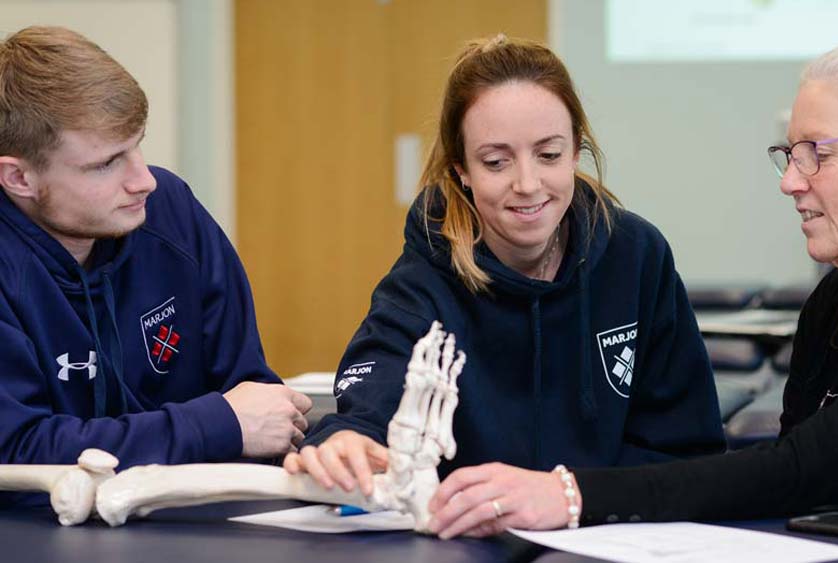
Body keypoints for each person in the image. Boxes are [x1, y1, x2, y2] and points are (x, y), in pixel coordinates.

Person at [426, 41, 838, 537]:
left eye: (817, 154)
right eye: (790, 155)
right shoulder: (833, 303)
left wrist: (570, 496)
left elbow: (798, 469)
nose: (792, 182)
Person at [284, 35, 724, 499]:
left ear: (577, 150)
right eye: (496, 162)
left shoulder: (636, 257)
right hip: (471, 539)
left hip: (606, 532)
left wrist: (574, 499)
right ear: (462, 171)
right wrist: (347, 442)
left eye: (549, 155)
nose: (528, 184)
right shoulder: (425, 280)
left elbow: (689, 449)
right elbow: (371, 404)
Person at [0, 26, 311, 506]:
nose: (143, 181)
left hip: (193, 521)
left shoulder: (171, 211)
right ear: (19, 177)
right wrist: (214, 427)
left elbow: (252, 398)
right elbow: (17, 456)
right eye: (107, 164)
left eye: (137, 145)